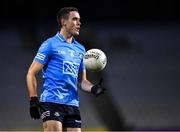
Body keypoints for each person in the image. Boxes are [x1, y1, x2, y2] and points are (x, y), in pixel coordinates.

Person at [26, 6, 106, 132]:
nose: (79, 23)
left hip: (72, 104)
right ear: (63, 22)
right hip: (52, 102)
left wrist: (93, 88)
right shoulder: (50, 44)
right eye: (75, 19)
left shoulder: (81, 49)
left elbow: (82, 81)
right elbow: (31, 73)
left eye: (79, 19)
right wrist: (33, 99)